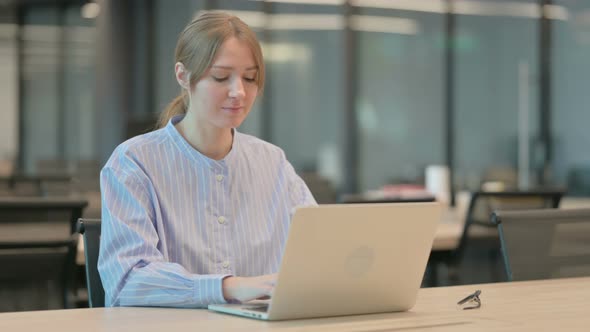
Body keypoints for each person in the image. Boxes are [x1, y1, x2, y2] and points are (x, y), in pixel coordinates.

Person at [99, 11, 317, 308]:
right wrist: (228, 287)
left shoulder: (273, 162)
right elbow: (127, 281)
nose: (238, 91)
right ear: (182, 75)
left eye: (250, 78)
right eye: (221, 77)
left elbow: (322, 253)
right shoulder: (133, 163)